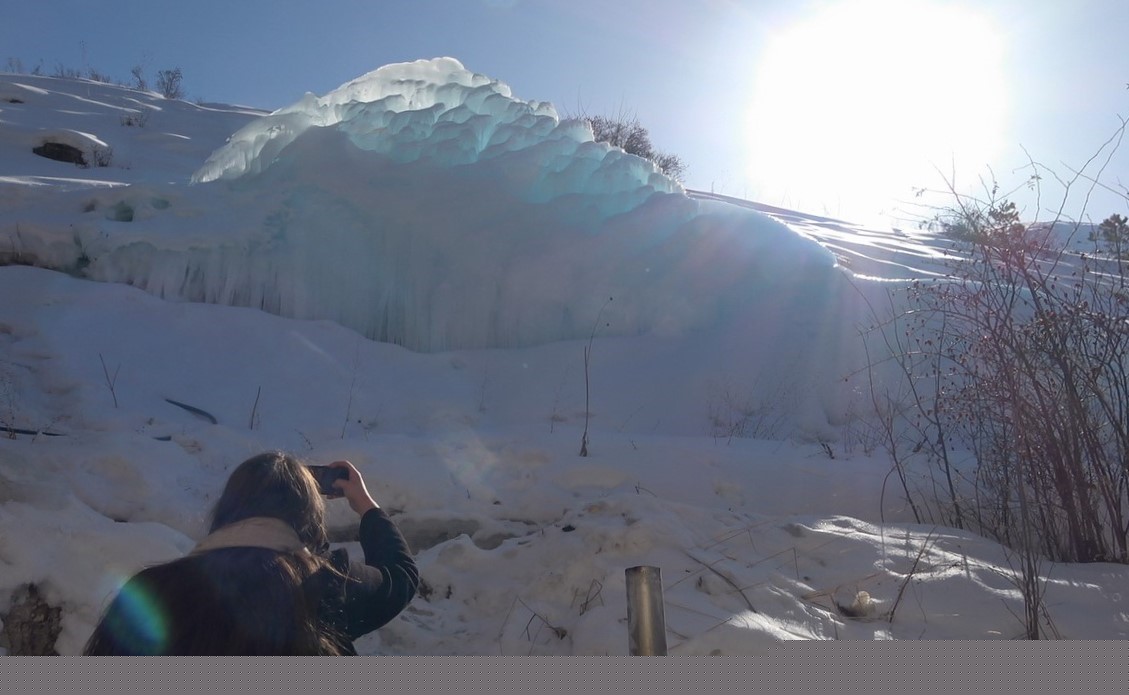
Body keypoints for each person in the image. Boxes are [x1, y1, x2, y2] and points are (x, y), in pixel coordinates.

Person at [83, 451, 418, 655]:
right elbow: (399, 577)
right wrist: (367, 507)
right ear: (307, 517)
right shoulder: (326, 582)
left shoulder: (150, 590)